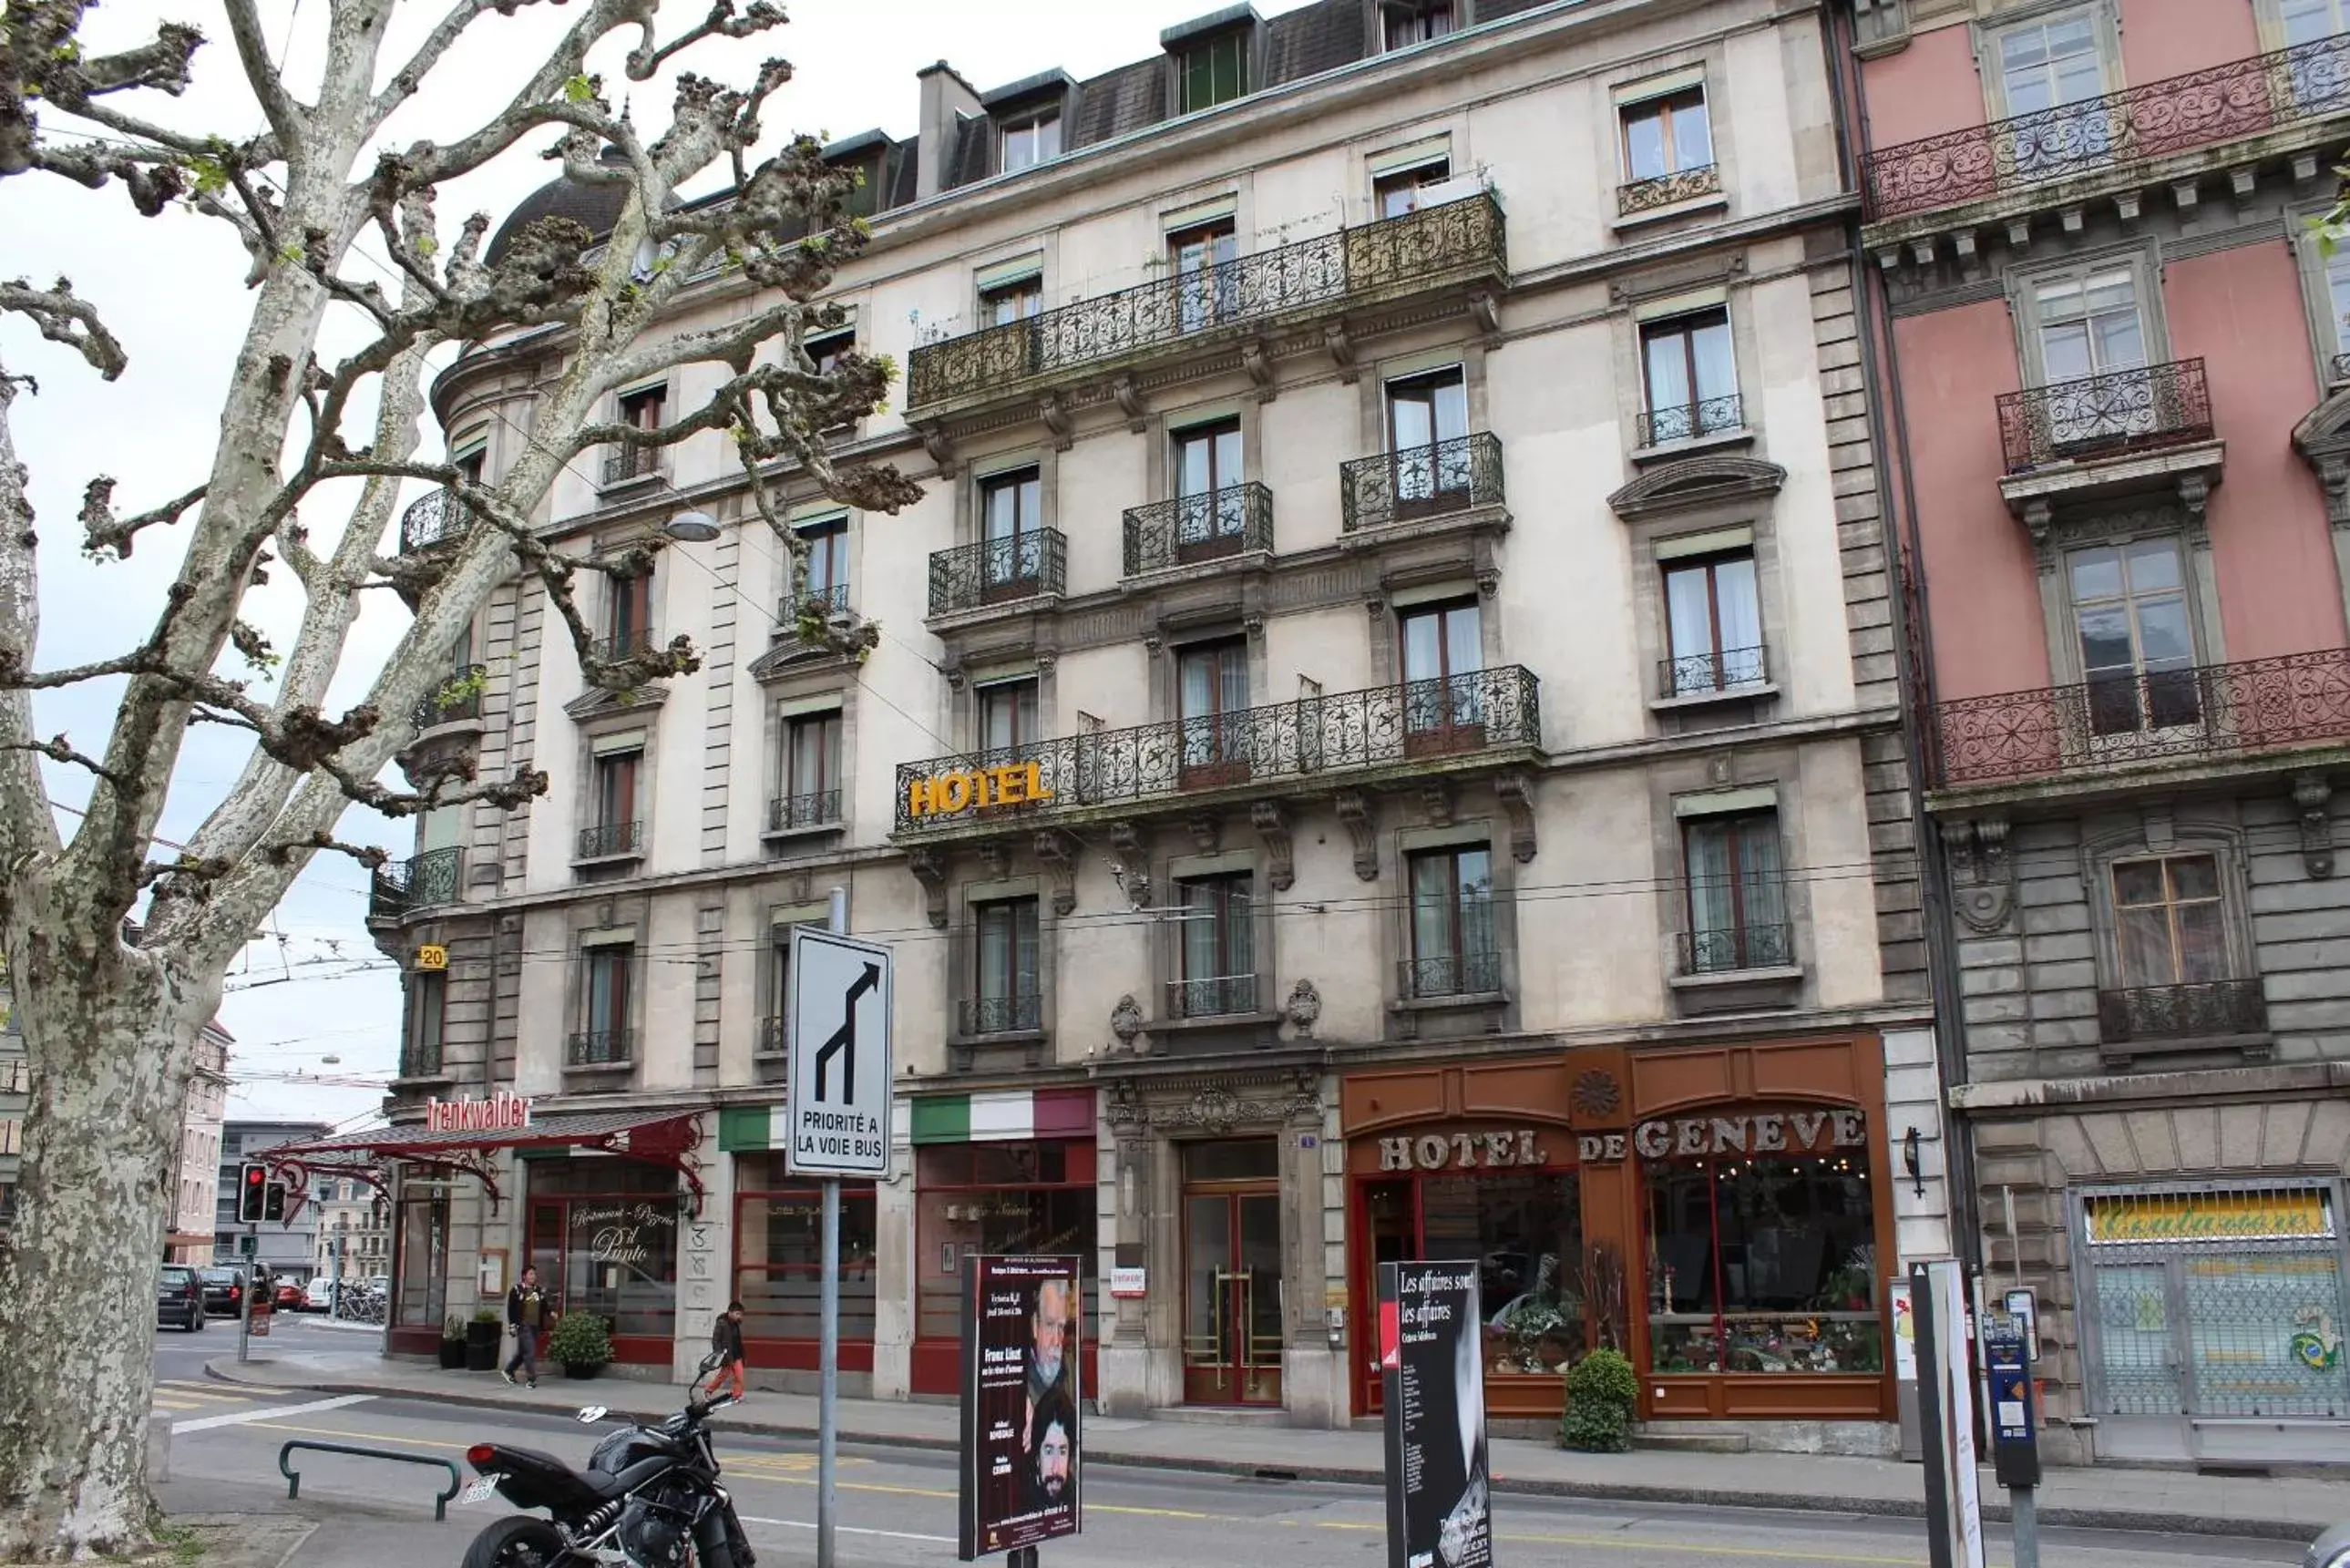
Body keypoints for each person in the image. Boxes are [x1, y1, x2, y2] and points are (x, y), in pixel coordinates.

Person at [1025, 1389, 1076, 1513]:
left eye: (1062, 1451)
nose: (1055, 1468)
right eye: (1048, 1451)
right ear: (1037, 1454)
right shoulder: (1021, 1500)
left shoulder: (1072, 1495)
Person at [502, 1266, 546, 1388]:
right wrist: (512, 1325)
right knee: (530, 1352)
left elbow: (544, 1305)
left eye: (534, 1274)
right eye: (531, 1274)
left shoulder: (538, 1290)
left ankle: (509, 1370)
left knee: (523, 1352)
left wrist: (551, 1313)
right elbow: (511, 1309)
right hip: (523, 1325)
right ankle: (531, 1380)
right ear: (524, 1276)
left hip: (535, 1325)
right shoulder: (517, 1290)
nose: (533, 1277)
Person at [703, 1299, 747, 1402]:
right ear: (730, 1312)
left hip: (737, 1355)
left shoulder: (736, 1323)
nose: (739, 1316)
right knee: (722, 1376)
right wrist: (719, 1353)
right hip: (726, 1355)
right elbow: (715, 1340)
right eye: (737, 1314)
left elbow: (737, 1340)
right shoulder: (722, 1323)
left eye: (740, 1314)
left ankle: (736, 1395)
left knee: (739, 1376)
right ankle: (708, 1390)